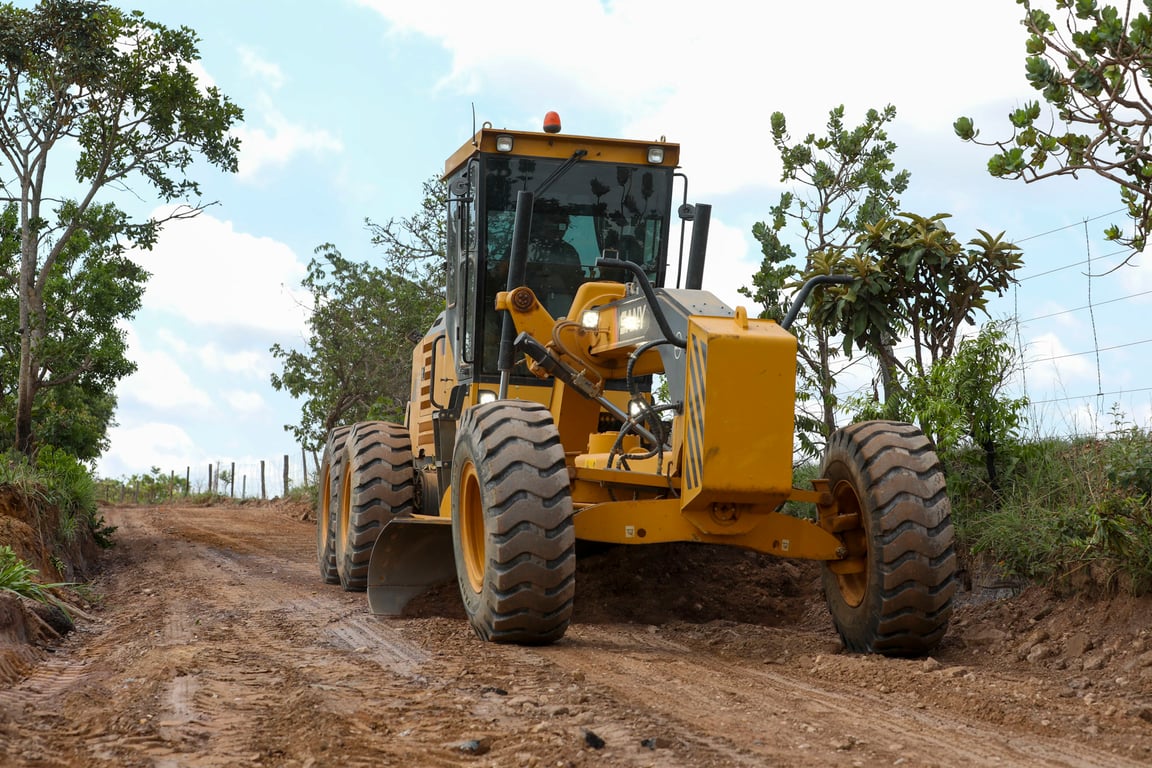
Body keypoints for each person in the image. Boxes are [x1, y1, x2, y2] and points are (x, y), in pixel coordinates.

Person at [526, 201, 583, 317]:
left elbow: (577, 283)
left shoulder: (569, 251)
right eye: (553, 223)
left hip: (562, 304)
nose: (557, 228)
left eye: (563, 225)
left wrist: (560, 282)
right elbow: (502, 275)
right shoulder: (524, 248)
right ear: (542, 224)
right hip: (526, 300)